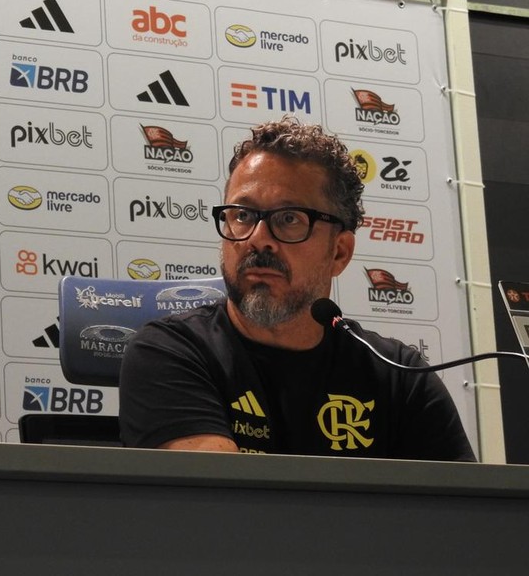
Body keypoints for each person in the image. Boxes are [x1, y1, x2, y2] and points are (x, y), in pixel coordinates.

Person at [119, 117, 475, 461]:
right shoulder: (170, 352)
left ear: (339, 252)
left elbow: (459, 515)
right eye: (242, 215)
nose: (258, 239)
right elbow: (220, 505)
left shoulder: (400, 376)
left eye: (289, 219)